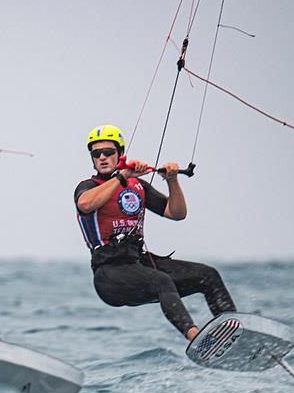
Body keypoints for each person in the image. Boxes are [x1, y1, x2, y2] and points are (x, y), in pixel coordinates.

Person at [74, 124, 237, 341]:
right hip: (109, 276)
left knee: (208, 275)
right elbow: (85, 205)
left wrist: (172, 180)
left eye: (109, 152)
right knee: (161, 280)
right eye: (97, 154)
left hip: (138, 264)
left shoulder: (137, 186)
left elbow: (176, 213)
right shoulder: (87, 186)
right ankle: (196, 338)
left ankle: (234, 331)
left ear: (120, 154)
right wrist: (121, 177)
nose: (102, 157)